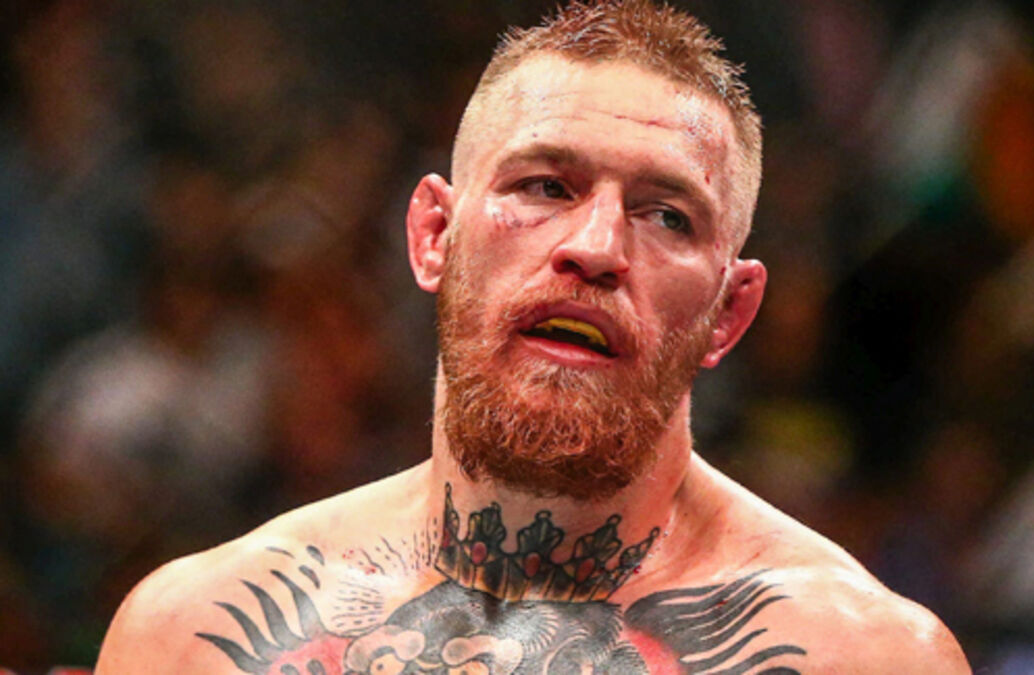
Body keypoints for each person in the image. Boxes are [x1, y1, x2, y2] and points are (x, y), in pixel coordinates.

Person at [97, 1, 969, 672]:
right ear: (433, 236)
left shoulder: (865, 655)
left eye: (666, 214)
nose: (596, 248)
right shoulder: (193, 635)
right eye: (546, 186)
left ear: (730, 312)